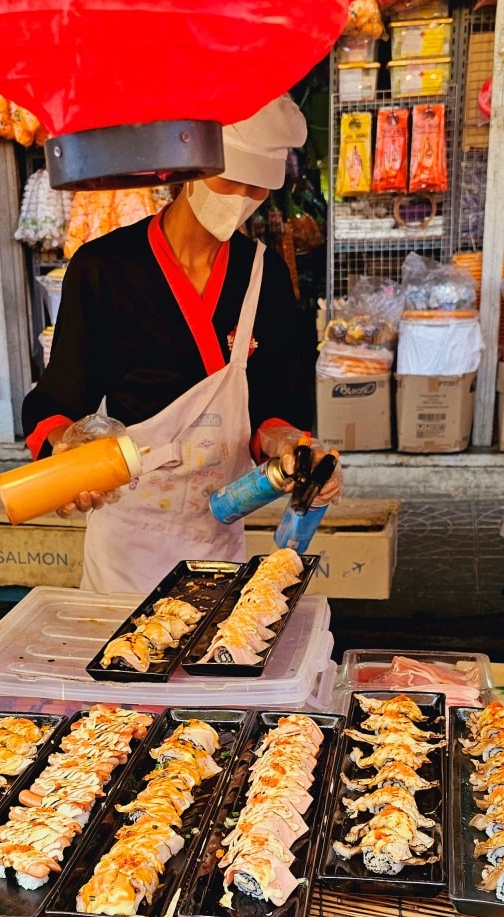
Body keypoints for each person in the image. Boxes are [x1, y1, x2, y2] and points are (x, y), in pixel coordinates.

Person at [20, 96, 340, 593]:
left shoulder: (265, 275)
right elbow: (58, 403)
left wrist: (289, 446)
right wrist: (66, 451)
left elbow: (275, 408)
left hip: (217, 538)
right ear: (191, 167)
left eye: (259, 186)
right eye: (233, 179)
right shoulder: (103, 268)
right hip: (127, 543)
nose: (244, 197)